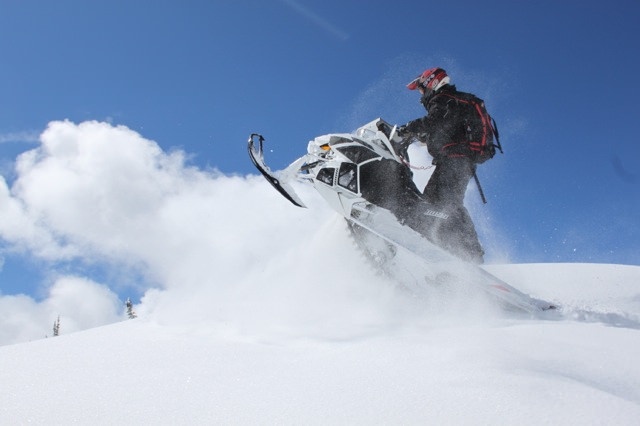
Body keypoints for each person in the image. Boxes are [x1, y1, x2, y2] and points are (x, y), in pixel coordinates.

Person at [397, 67, 495, 264]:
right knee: (434, 204)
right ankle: (449, 247)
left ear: (431, 83)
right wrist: (418, 136)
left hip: (457, 159)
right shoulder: (452, 103)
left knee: (444, 203)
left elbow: (435, 121)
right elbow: (441, 127)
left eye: (421, 89)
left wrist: (407, 129)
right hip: (456, 160)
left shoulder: (445, 99)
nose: (420, 95)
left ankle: (470, 252)